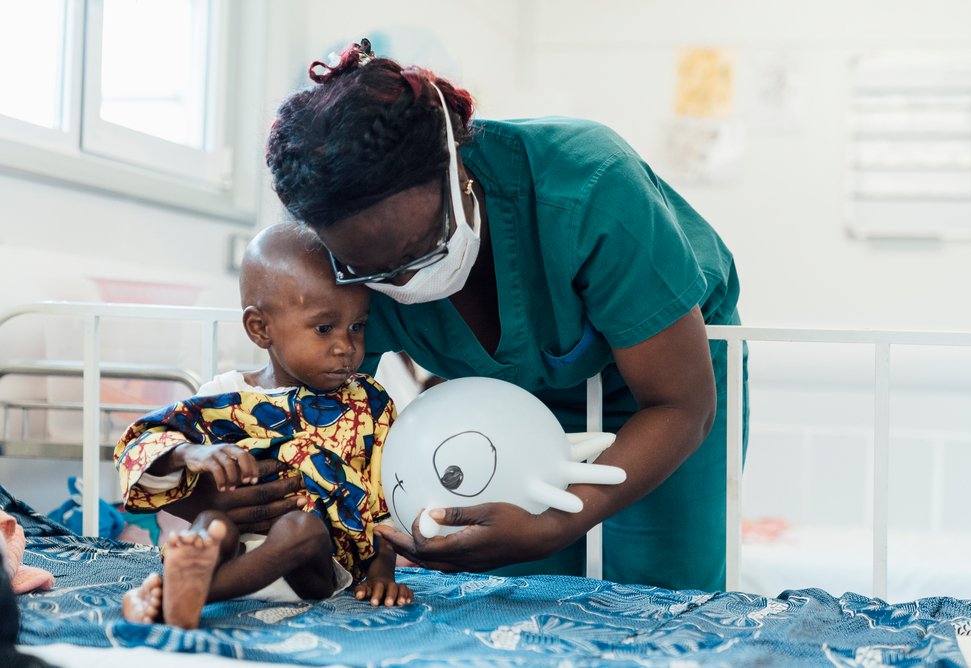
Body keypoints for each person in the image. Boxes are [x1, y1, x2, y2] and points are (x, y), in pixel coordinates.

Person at [261, 39, 749, 593]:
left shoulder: (589, 186)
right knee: (507, 590)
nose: (404, 282)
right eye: (373, 271)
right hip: (503, 399)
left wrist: (558, 524)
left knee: (665, 592)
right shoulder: (336, 267)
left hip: (664, 384)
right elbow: (322, 428)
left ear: (457, 172)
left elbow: (681, 405)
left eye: (423, 249)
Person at [115, 223, 413, 629]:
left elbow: (383, 496)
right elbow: (143, 442)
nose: (346, 346)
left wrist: (382, 573)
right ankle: (190, 579)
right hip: (233, 552)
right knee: (212, 526)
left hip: (315, 566)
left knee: (301, 528)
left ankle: (174, 594)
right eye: (324, 328)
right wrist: (192, 453)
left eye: (357, 326)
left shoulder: (368, 403)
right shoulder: (226, 394)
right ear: (260, 329)